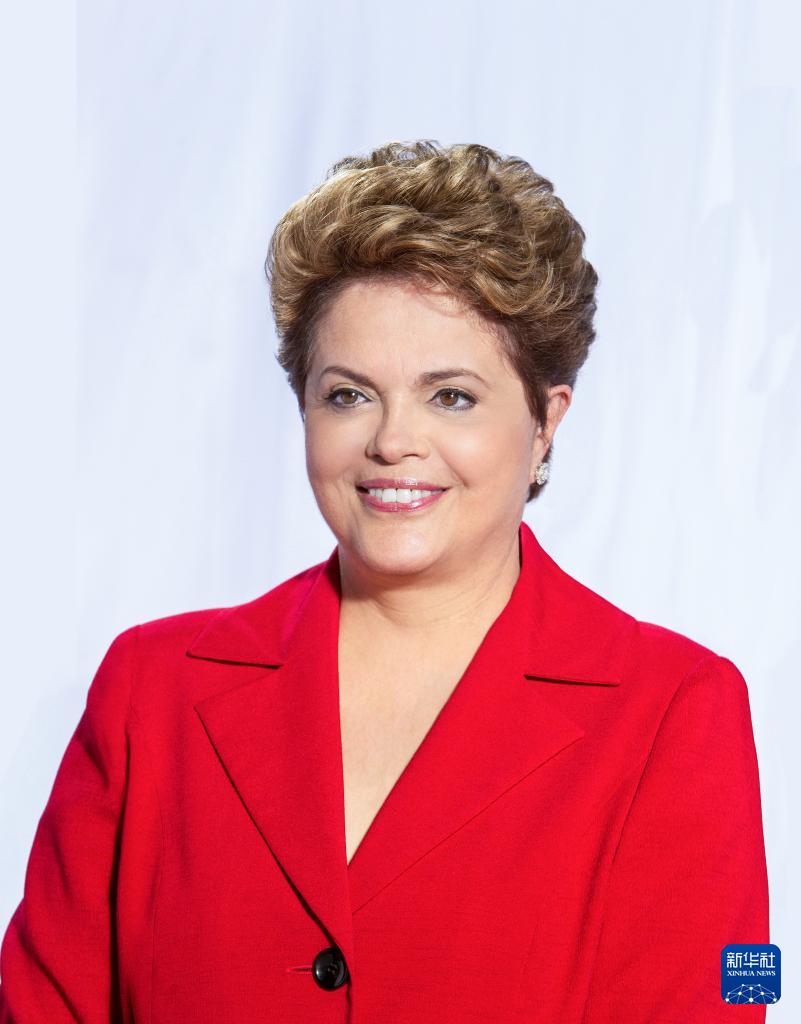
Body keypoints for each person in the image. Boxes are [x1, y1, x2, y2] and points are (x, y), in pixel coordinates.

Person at [0, 141, 770, 1023]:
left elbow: (731, 996)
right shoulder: (151, 687)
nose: (392, 441)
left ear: (545, 421)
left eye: (451, 396)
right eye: (348, 394)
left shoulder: (678, 707)